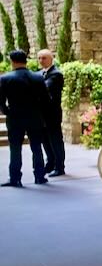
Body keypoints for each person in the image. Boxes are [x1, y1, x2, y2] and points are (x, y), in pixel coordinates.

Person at [0, 50, 50, 187]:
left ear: (12, 61)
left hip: (15, 117)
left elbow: (1, 101)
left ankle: (15, 177)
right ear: (26, 60)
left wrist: (7, 112)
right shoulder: (38, 77)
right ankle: (39, 176)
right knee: (36, 147)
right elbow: (46, 100)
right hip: (34, 117)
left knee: (15, 149)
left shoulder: (5, 78)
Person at [37, 49, 65, 176]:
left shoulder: (56, 74)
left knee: (55, 140)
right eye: (39, 58)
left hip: (52, 115)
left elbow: (46, 87)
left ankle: (59, 167)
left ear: (51, 59)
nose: (41, 61)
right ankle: (50, 164)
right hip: (41, 115)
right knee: (45, 141)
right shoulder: (38, 74)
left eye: (44, 58)